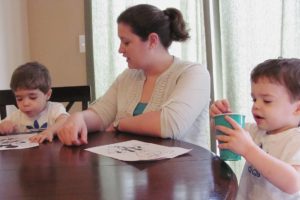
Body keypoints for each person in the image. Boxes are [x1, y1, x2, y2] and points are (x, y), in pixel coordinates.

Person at [57, 4, 211, 148]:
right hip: (140, 174)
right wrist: (79, 118)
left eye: (126, 42)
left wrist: (119, 124)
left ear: (152, 41)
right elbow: (101, 114)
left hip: (188, 173)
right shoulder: (128, 77)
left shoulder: (193, 73)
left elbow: (168, 124)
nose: (120, 49)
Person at [210, 58, 300, 199]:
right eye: (254, 99)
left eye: (267, 101)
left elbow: (293, 183)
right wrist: (221, 117)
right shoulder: (256, 130)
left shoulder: (295, 140)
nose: (256, 106)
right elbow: (226, 132)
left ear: (297, 108)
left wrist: (248, 150)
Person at [0, 62, 69, 143]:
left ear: (47, 94)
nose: (25, 103)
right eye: (19, 99)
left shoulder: (55, 109)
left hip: (52, 153)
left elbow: (65, 121)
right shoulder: (16, 116)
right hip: (25, 154)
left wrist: (50, 131)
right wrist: (2, 127)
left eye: (32, 97)